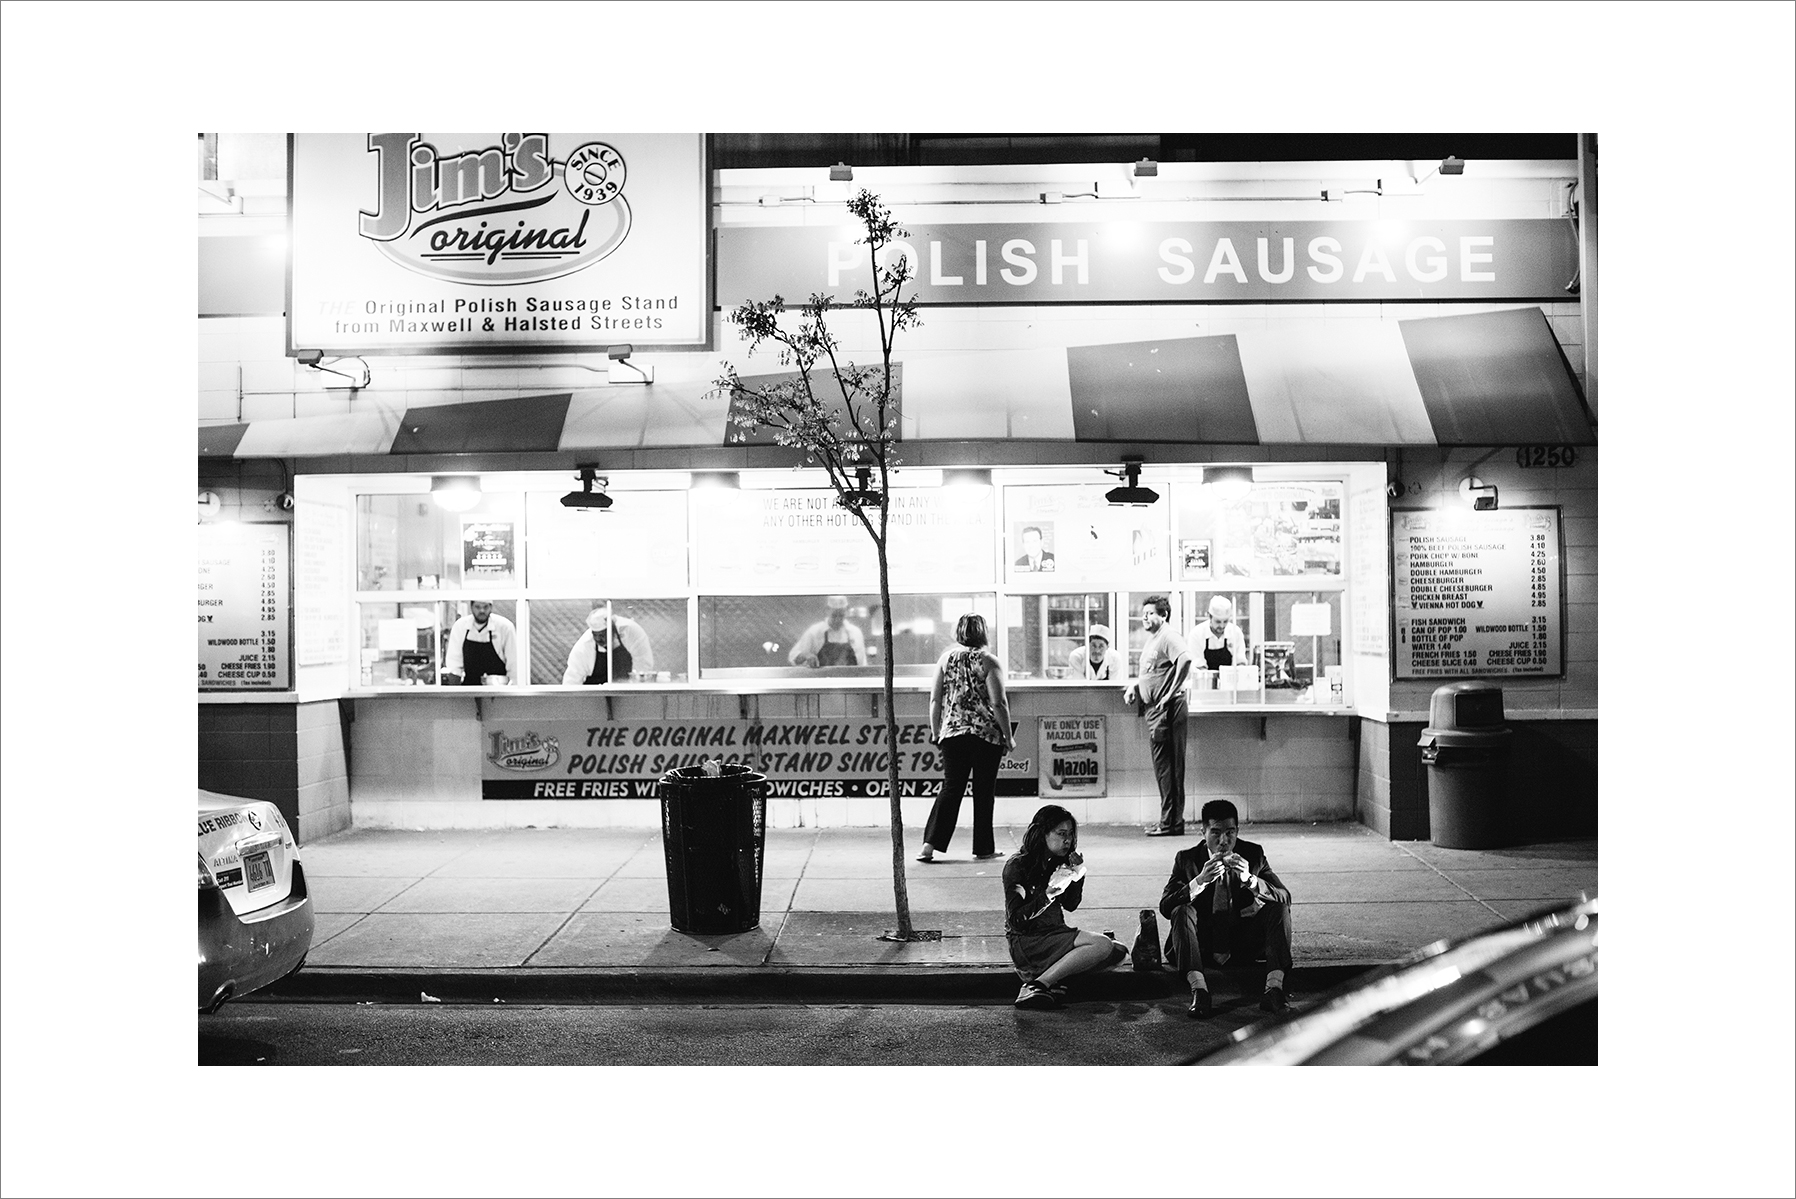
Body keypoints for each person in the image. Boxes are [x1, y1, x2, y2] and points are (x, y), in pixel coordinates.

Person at [1156, 799, 1294, 1017]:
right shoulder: (1187, 859)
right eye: (1216, 833)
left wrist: (1250, 880)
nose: (1223, 841)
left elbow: (1284, 897)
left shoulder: (1253, 854)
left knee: (1278, 909)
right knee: (1181, 911)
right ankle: (1199, 990)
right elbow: (1165, 906)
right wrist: (1199, 881)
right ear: (1203, 832)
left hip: (1242, 943)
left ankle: (1274, 989)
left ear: (1237, 831)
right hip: (1201, 946)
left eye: (1230, 833)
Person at [1004, 805, 1128, 1009]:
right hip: (1029, 941)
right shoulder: (1017, 865)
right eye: (1061, 834)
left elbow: (1071, 905)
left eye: (1070, 834)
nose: (1067, 840)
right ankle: (1036, 985)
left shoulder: (1057, 862)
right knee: (1102, 945)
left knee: (1119, 952)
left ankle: (1052, 981)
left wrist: (1078, 874)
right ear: (1041, 834)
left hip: (1055, 934)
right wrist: (1048, 894)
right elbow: (1016, 919)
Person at [918, 614, 1014, 864]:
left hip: (952, 735)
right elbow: (998, 702)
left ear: (958, 633)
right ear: (984, 633)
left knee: (951, 788)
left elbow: (935, 700)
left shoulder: (945, 660)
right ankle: (983, 848)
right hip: (985, 737)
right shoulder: (989, 661)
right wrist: (1008, 736)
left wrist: (936, 731)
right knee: (983, 792)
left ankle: (929, 846)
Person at [1123, 595, 1191, 836]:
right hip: (1156, 711)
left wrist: (1168, 693)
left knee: (1170, 768)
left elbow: (1186, 659)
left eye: (1151, 613)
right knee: (1163, 768)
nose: (1145, 617)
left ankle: (1171, 823)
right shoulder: (1154, 639)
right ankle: (1168, 820)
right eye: (1144, 613)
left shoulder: (1169, 636)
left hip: (1169, 709)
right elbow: (1152, 672)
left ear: (1164, 615)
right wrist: (1135, 686)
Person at [562, 605, 654, 685]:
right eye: (595, 635)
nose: (598, 639)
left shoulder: (631, 631)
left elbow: (643, 667)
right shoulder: (584, 646)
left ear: (612, 629)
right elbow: (572, 680)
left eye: (602, 635)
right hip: (595, 698)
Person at [443, 600, 515, 685]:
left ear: (491, 607)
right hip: (469, 690)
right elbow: (454, 665)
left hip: (498, 689)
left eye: (485, 607)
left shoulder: (505, 627)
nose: (482, 611)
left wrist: (513, 690)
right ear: (471, 607)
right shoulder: (460, 626)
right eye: (477, 607)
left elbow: (514, 665)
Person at [788, 595, 866, 667]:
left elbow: (862, 664)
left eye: (841, 616)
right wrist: (806, 655)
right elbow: (793, 657)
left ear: (846, 612)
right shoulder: (814, 632)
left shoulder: (856, 633)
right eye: (834, 615)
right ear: (827, 610)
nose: (837, 620)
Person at [1192, 595, 1248, 675]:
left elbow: (1240, 662)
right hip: (1206, 682)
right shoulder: (1197, 634)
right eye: (1218, 622)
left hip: (1230, 682)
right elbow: (1198, 668)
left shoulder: (1235, 632)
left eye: (1225, 621)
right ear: (1210, 617)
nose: (1222, 626)